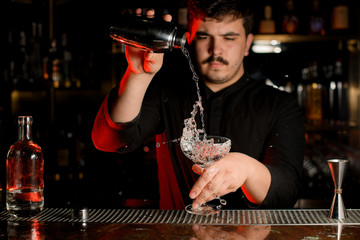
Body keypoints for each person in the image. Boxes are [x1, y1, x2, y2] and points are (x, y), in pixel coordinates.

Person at [92, 0, 305, 210]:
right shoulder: (166, 93)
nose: (216, 50)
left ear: (247, 43)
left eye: (229, 38)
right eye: (204, 37)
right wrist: (137, 75)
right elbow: (108, 141)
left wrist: (247, 168)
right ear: (190, 39)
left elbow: (287, 192)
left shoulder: (280, 105)